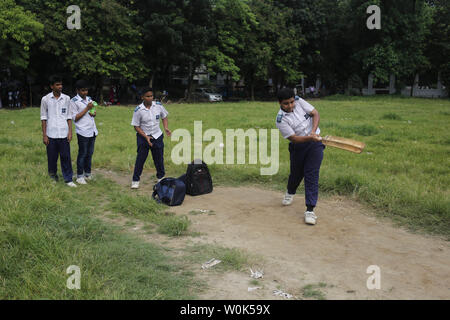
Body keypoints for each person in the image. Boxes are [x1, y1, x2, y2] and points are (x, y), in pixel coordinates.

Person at [275, 88, 324, 225]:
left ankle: (310, 210)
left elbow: (315, 114)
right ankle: (290, 192)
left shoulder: (299, 101)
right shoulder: (280, 120)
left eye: (291, 102)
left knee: (311, 174)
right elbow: (294, 138)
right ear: (279, 103)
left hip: (315, 144)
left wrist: (313, 132)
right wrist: (310, 137)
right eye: (286, 104)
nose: (290, 106)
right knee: (296, 174)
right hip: (299, 146)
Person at [130, 88, 171, 189]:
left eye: (151, 96)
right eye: (147, 96)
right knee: (140, 159)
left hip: (157, 136)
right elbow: (136, 126)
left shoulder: (158, 106)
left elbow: (164, 116)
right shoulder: (138, 110)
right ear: (142, 97)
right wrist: (145, 137)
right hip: (143, 137)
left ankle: (161, 178)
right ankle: (135, 180)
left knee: (159, 159)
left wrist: (165, 127)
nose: (150, 98)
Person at [40, 75, 76, 187]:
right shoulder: (45, 99)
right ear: (52, 86)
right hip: (51, 133)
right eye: (57, 84)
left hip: (64, 133)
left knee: (66, 157)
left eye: (61, 84)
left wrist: (70, 132)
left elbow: (69, 116)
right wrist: (45, 135)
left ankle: (68, 179)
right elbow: (43, 118)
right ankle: (53, 177)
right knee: (52, 157)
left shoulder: (66, 98)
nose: (60, 86)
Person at [70, 80, 98, 184]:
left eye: (86, 90)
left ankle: (88, 173)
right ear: (77, 90)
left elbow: (93, 112)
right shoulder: (73, 101)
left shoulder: (89, 99)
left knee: (89, 153)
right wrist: (87, 108)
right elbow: (75, 118)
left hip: (92, 130)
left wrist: (93, 112)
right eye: (82, 90)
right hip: (82, 131)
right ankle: (79, 176)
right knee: (82, 153)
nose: (85, 92)